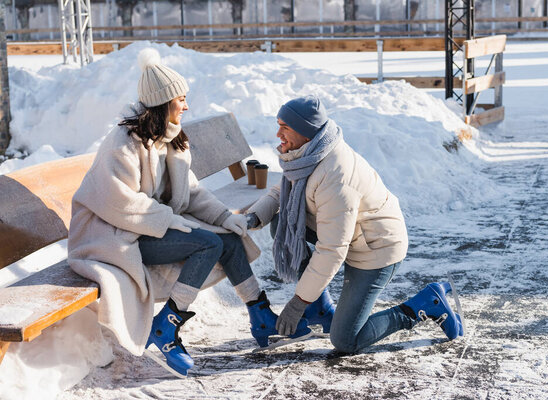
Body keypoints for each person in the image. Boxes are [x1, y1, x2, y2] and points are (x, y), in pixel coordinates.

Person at [67, 48, 309, 379]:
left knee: (226, 237)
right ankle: (166, 327)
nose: (186, 106)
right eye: (180, 99)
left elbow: (192, 192)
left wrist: (226, 217)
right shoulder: (123, 144)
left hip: (147, 227)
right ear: (163, 103)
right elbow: (120, 203)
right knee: (207, 244)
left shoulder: (171, 140)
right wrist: (171, 221)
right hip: (112, 235)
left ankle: (261, 315)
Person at [245, 95, 464, 354]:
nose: (278, 133)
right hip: (352, 235)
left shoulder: (335, 175)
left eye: (285, 127)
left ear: (306, 132)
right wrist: (253, 217)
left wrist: (298, 303)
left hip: (376, 249)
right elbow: (283, 193)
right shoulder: (308, 154)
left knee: (346, 340)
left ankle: (422, 305)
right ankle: (321, 309)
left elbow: (331, 250)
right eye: (278, 124)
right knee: (282, 222)